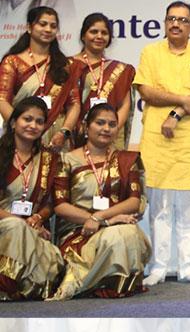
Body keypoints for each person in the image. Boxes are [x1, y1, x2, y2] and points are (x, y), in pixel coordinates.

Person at [134, 1, 190, 286]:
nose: (176, 24)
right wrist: (182, 100)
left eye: (183, 20)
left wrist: (175, 114)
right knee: (159, 208)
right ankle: (159, 267)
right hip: (159, 141)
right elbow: (147, 92)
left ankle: (187, 267)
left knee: (189, 210)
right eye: (171, 18)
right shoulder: (150, 53)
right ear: (164, 22)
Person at [49, 103, 150, 300]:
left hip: (113, 222)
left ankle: (114, 285)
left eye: (112, 124)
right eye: (100, 123)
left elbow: (133, 202)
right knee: (117, 234)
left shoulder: (128, 159)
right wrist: (94, 220)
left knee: (124, 232)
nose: (106, 128)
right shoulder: (67, 160)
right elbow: (60, 206)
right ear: (86, 127)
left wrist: (100, 218)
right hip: (78, 230)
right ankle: (99, 284)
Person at [0, 97, 65, 300]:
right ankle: (6, 285)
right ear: (13, 122)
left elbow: (52, 204)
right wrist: (18, 222)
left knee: (52, 263)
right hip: (5, 226)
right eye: (27, 119)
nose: (33, 125)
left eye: (39, 121)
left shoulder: (49, 158)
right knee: (15, 228)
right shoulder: (1, 154)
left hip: (31, 226)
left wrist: (38, 218)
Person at [0, 6, 81, 151]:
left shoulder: (65, 65)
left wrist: (65, 131)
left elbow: (74, 103)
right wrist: (24, 128)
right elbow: (2, 100)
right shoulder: (13, 62)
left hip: (57, 139)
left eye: (53, 26)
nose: (48, 29)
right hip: (22, 137)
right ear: (30, 27)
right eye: (42, 24)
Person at [72, 13, 136, 149]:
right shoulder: (67, 65)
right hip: (74, 136)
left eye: (104, 33)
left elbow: (125, 105)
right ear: (83, 36)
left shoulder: (121, 70)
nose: (99, 36)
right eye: (94, 32)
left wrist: (110, 130)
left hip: (108, 137)